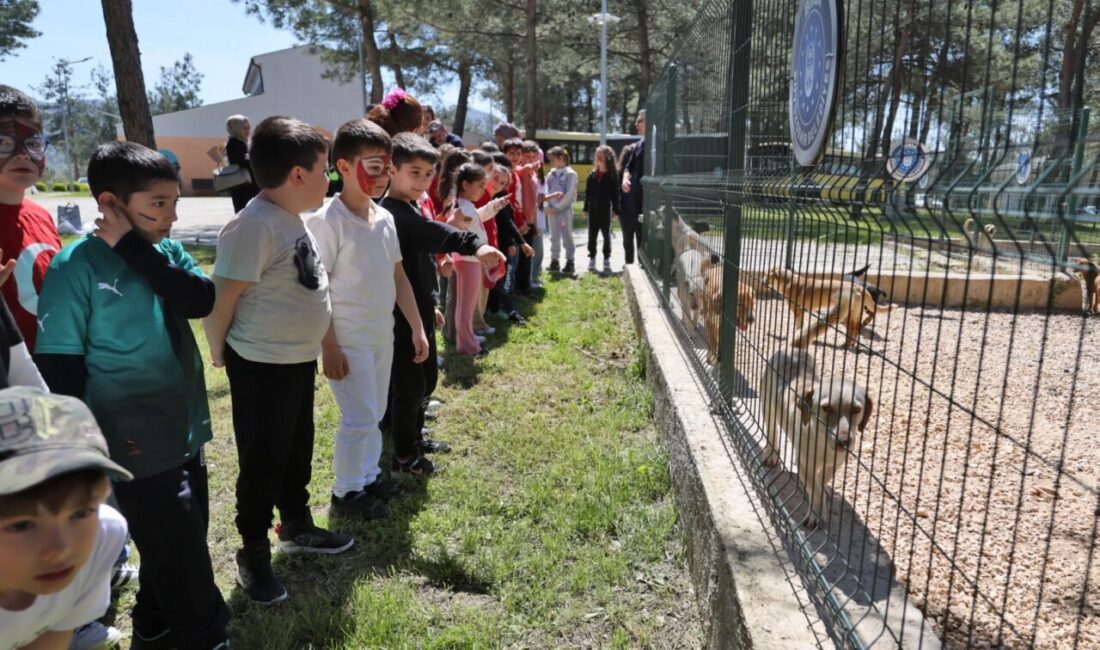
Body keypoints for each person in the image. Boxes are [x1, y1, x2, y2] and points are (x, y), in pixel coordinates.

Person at [35, 142, 231, 649]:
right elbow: (60, 366)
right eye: (157, 204)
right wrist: (78, 449)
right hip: (130, 437)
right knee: (182, 552)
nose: (171, 216)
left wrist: (134, 249)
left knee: (180, 537)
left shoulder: (161, 250)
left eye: (174, 202)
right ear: (111, 203)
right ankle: (206, 636)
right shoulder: (74, 265)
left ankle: (154, 621)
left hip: (183, 423)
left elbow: (199, 299)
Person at [204, 116, 353, 605]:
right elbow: (221, 301)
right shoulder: (252, 227)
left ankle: (296, 524)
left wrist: (324, 342)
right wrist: (220, 350)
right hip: (261, 366)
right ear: (297, 175)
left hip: (295, 361)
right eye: (325, 169)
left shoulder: (294, 220)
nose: (329, 178)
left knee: (296, 447)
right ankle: (253, 553)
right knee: (262, 461)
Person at [306, 119, 428, 519]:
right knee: (357, 417)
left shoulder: (385, 218)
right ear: (343, 166)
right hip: (348, 339)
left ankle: (369, 477)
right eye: (373, 166)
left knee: (375, 413)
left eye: (386, 166)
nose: (382, 175)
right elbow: (316, 286)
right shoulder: (327, 221)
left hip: (382, 335)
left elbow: (398, 276)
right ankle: (346, 493)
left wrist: (417, 326)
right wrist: (330, 346)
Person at [380, 133, 504, 474]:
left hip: (420, 307)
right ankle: (405, 454)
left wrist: (431, 304)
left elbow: (421, 259)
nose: (422, 182)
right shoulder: (393, 214)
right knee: (409, 383)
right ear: (391, 170)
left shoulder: (410, 207)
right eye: (414, 172)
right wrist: (475, 245)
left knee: (425, 378)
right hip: (400, 314)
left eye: (428, 174)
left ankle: (412, 434)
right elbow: (437, 234)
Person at [0, 387, 135, 650]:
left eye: (80, 513)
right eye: (22, 524)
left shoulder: (103, 536)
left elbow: (52, 636)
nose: (60, 550)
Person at [0, 85, 61, 352]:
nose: (23, 153)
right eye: (4, 142)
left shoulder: (42, 216)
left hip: (52, 376)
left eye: (33, 142)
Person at [448, 163, 506, 355]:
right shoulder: (461, 207)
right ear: (466, 184)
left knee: (467, 305)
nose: (483, 189)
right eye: (480, 185)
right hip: (467, 260)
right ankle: (467, 345)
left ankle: (467, 337)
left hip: (469, 260)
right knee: (466, 306)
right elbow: (450, 224)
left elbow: (476, 218)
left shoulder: (466, 206)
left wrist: (494, 206)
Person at [583, 145, 620, 272]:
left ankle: (606, 259)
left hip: (606, 210)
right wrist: (585, 208)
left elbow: (615, 194)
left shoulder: (612, 176)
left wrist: (616, 210)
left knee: (606, 235)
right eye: (597, 153)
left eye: (601, 154)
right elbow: (587, 193)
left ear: (607, 158)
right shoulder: (592, 175)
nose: (598, 156)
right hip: (593, 209)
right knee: (591, 235)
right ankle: (592, 258)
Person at [544, 147, 578, 275]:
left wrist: (557, 208)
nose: (551, 162)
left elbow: (569, 194)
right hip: (551, 211)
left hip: (564, 210)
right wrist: (547, 206)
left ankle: (570, 261)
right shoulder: (550, 174)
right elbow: (546, 191)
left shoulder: (571, 174)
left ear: (562, 158)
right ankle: (554, 260)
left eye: (553, 159)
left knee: (567, 235)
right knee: (554, 235)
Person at [619, 110, 646, 264]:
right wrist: (624, 179)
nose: (636, 124)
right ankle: (639, 266)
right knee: (637, 235)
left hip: (654, 200)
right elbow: (628, 167)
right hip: (637, 201)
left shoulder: (661, 143)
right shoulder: (639, 145)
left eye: (639, 120)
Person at [225, 115, 259, 213]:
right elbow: (241, 162)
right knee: (245, 214)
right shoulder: (233, 144)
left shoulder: (245, 142)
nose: (248, 131)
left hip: (250, 185)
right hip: (242, 186)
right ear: (236, 128)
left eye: (249, 128)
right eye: (244, 128)